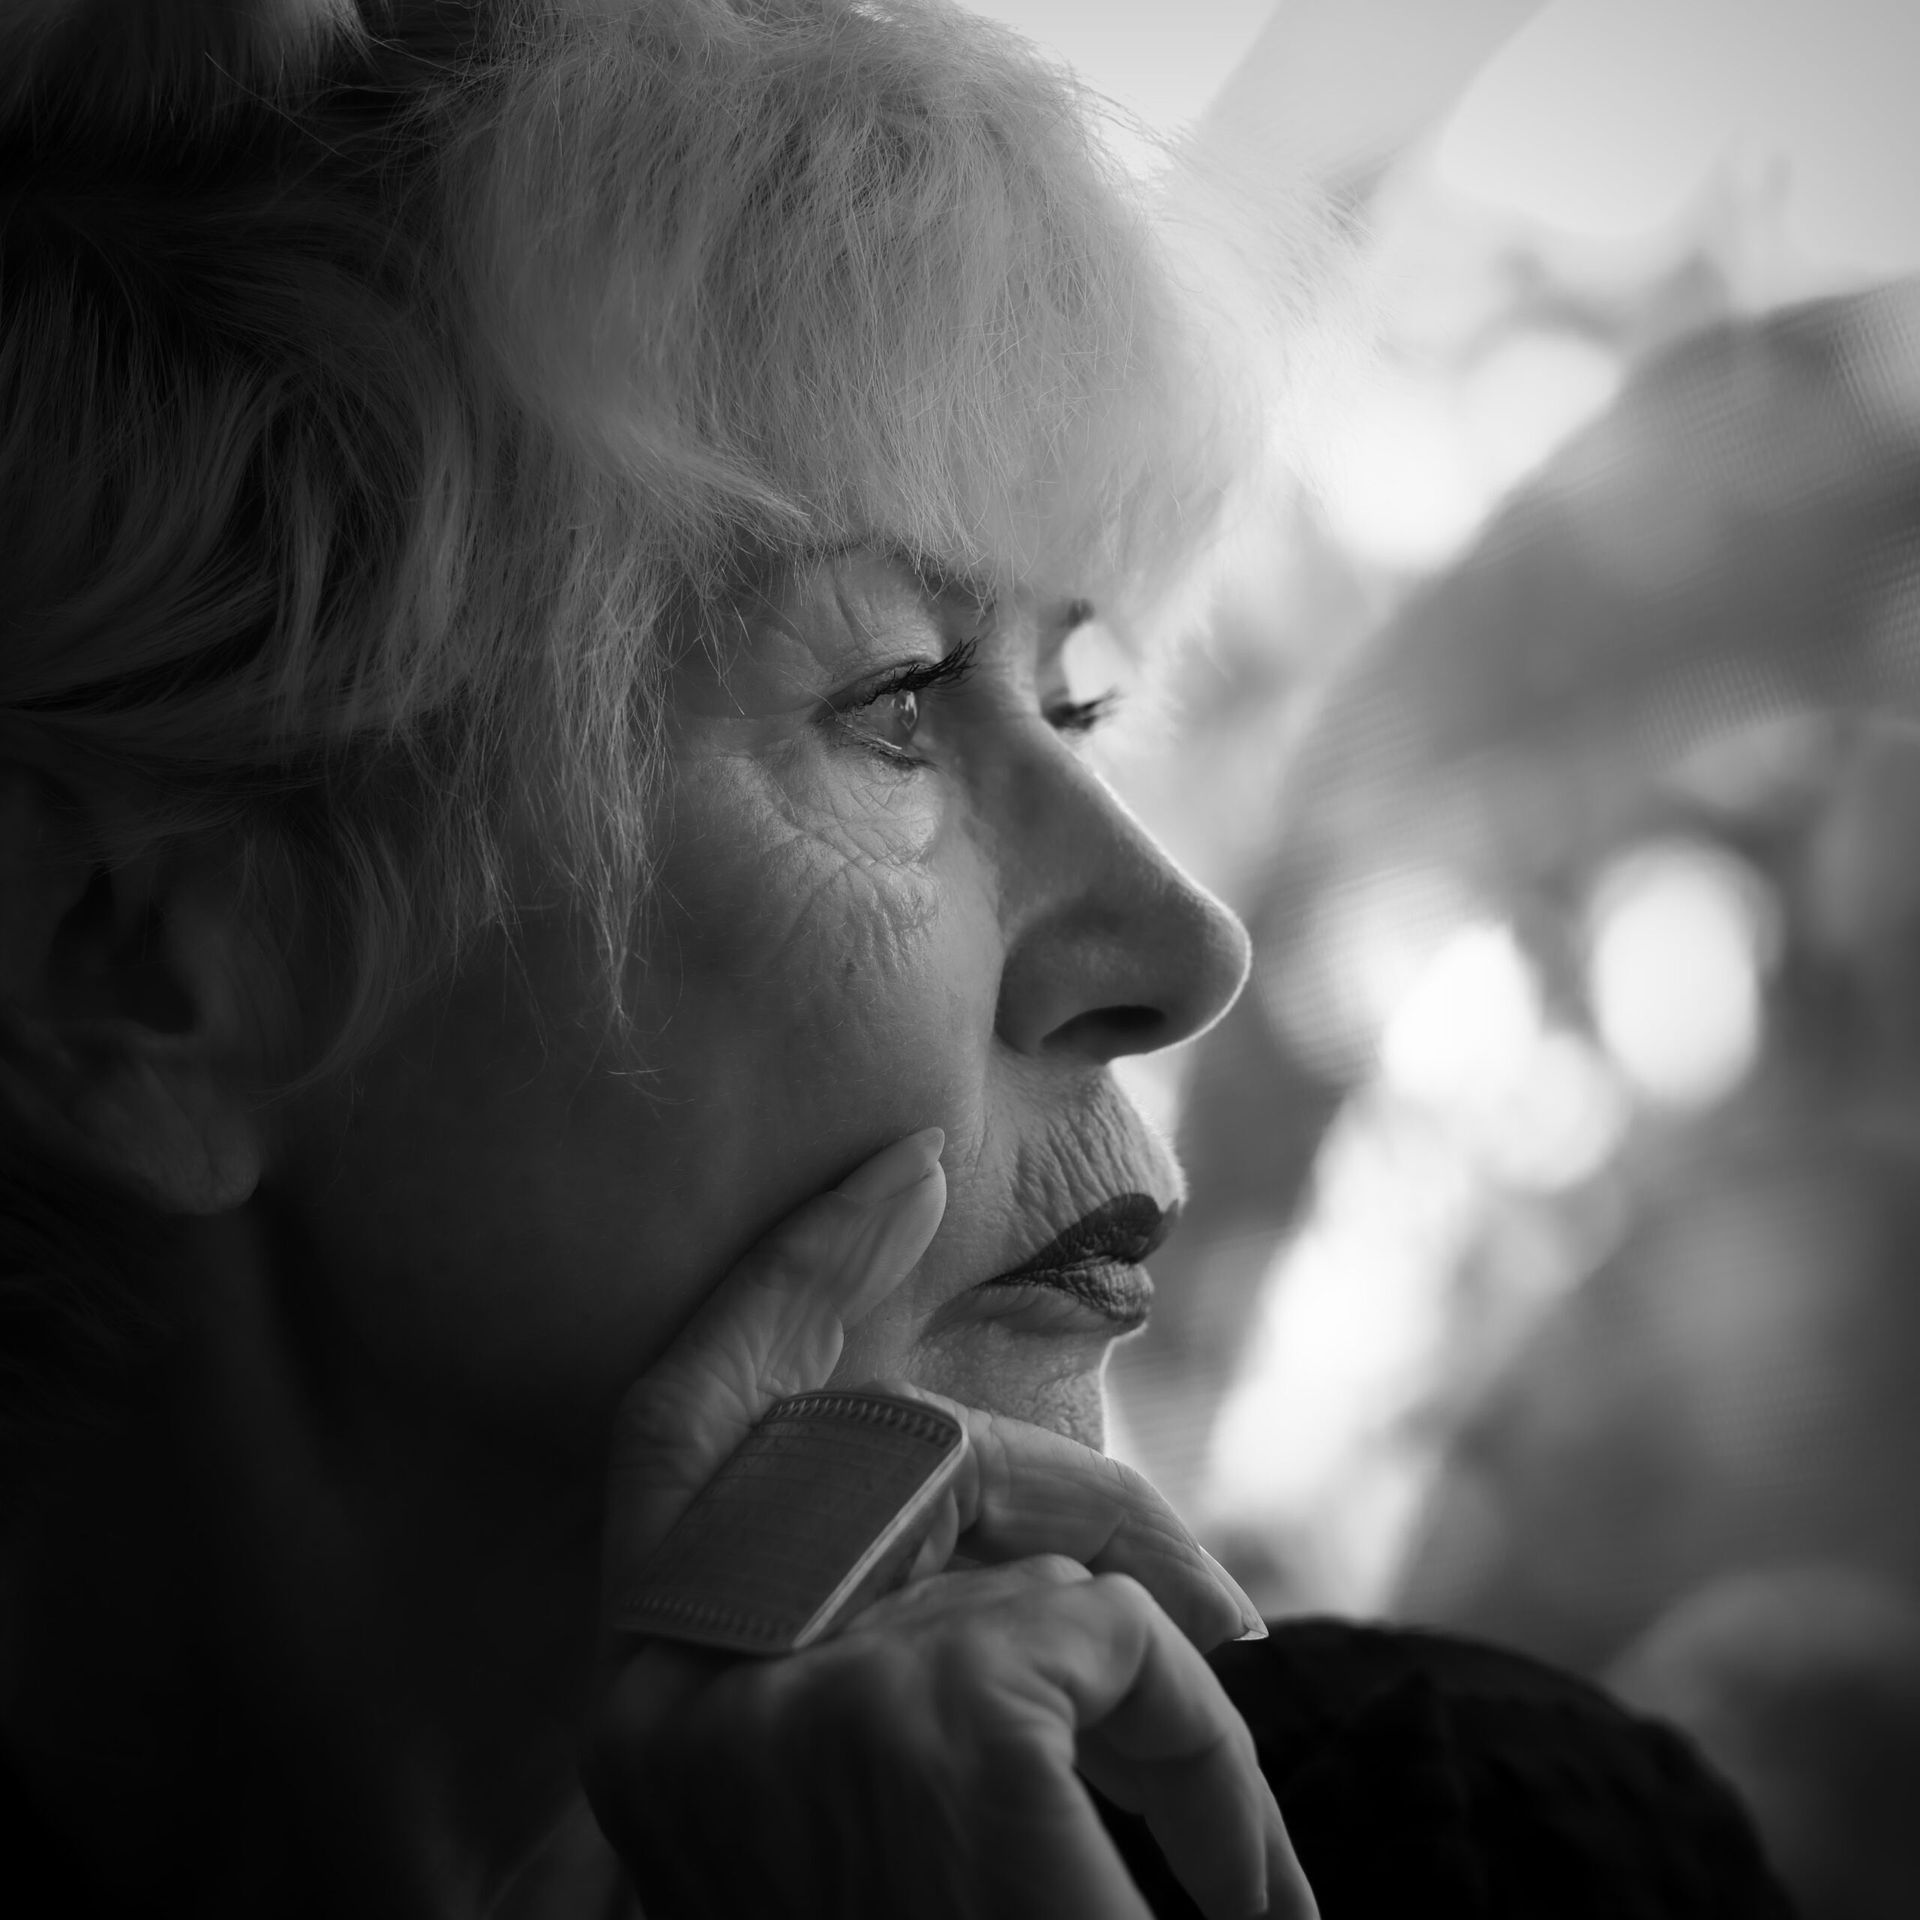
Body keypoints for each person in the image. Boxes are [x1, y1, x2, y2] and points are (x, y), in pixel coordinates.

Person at [0, 2, 1791, 1915]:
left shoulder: (1491, 1846)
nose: (1183, 948)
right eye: (894, 699)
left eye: (1081, 703)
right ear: (143, 978)